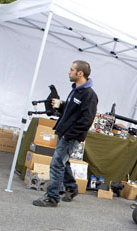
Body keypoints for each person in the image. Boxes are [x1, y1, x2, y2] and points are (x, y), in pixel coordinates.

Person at [33, 60, 98, 207]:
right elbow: (72, 112)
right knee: (63, 161)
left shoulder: (89, 95)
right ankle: (71, 187)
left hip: (70, 136)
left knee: (57, 163)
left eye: (71, 69)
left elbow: (86, 120)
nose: (69, 72)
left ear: (80, 73)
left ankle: (52, 197)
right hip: (64, 132)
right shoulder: (75, 89)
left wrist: (70, 135)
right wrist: (61, 105)